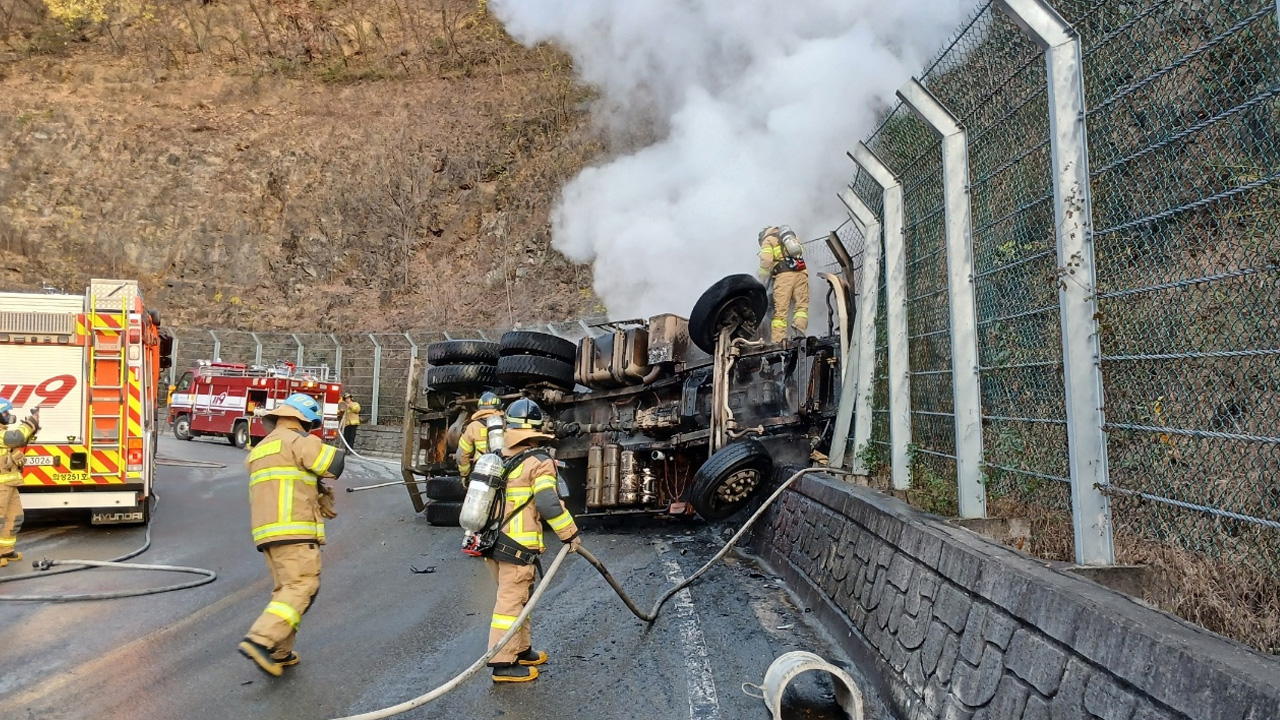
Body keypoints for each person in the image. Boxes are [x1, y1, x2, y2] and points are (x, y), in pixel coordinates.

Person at [238, 393, 346, 677]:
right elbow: (333, 464)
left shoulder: (261, 448)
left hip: (268, 535)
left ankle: (279, 652)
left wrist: (318, 492)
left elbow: (289, 480)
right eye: (311, 424)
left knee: (286, 591)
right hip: (295, 530)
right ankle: (260, 640)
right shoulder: (299, 441)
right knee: (302, 586)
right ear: (304, 420)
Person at [484, 398, 580, 683]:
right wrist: (569, 533)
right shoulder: (538, 462)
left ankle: (521, 649)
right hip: (515, 546)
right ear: (537, 428)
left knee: (519, 599)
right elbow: (548, 503)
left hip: (492, 542)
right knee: (510, 604)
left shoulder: (498, 457)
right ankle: (503, 662)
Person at [756, 225, 810, 344]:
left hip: (784, 276)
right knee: (801, 307)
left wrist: (762, 279)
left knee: (780, 311)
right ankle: (800, 332)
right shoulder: (790, 236)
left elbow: (766, 261)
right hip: (802, 273)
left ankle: (778, 341)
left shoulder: (768, 240)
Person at [0, 399, 37, 568]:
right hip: (1, 486)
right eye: (5, 413)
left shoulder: (3, 433)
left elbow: (15, 442)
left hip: (10, 484)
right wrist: (31, 422)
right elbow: (18, 436)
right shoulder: (2, 435)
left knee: (15, 517)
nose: (8, 416)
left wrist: (14, 454)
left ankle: (6, 550)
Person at [457, 392, 504, 476]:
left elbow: (461, 454)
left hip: (481, 470)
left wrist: (465, 474)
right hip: (503, 469)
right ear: (499, 407)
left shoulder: (473, 426)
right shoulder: (506, 424)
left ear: (479, 407)